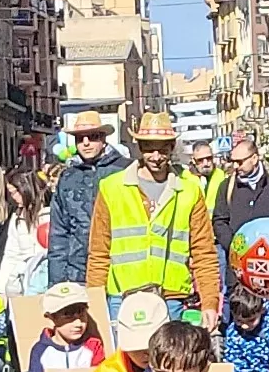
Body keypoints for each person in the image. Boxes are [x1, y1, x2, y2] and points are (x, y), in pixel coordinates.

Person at [85, 113, 223, 322]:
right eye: (149, 148)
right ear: (140, 147)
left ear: (172, 147)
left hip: (171, 298)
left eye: (163, 149)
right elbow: (98, 253)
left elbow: (204, 252)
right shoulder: (111, 188)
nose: (156, 156)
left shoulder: (189, 191)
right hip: (122, 297)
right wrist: (95, 304)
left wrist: (210, 302)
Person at [45, 114, 125, 289]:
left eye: (92, 137)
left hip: (121, 271)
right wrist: (56, 283)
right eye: (80, 139)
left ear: (103, 138)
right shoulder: (68, 177)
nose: (86, 143)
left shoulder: (125, 170)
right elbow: (59, 233)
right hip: (78, 274)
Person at [212, 126, 269, 238]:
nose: (235, 166)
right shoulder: (227, 187)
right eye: (233, 161)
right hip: (240, 247)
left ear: (254, 159)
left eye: (239, 162)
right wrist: (232, 244)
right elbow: (220, 221)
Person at [23, 283, 107, 372]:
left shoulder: (94, 346)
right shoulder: (40, 350)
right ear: (51, 317)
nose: (78, 323)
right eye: (68, 316)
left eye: (82, 314)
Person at [0, 171, 52, 299]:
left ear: (26, 189)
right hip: (23, 283)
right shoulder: (17, 218)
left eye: (16, 192)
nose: (13, 197)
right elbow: (11, 254)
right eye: (11, 193)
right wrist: (0, 290)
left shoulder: (51, 214)